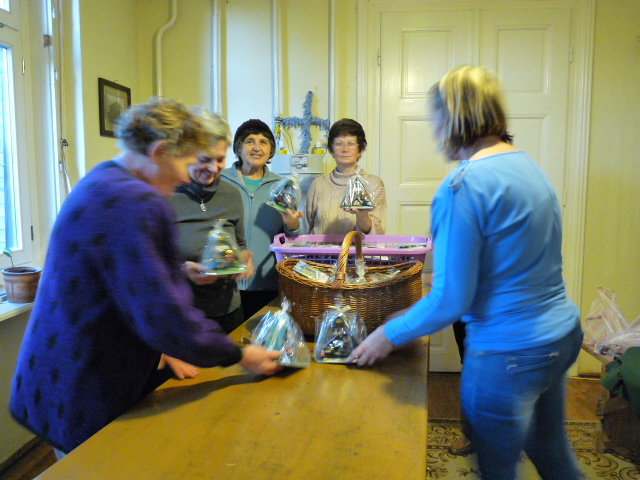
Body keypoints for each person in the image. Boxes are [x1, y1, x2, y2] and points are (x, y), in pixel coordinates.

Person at [9, 98, 282, 457]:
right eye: (186, 162)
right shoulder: (139, 202)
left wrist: (164, 347)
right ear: (159, 151)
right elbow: (161, 312)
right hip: (86, 383)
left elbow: (125, 290)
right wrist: (239, 354)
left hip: (51, 376)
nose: (186, 176)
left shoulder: (102, 176)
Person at [350, 66, 583, 480]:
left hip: (508, 352)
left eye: (435, 118)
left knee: (497, 470)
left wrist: (387, 334)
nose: (434, 130)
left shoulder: (462, 186)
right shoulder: (529, 167)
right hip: (561, 336)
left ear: (453, 118)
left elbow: (451, 300)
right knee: (551, 451)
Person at [168, 108, 253, 336]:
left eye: (220, 159)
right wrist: (182, 271)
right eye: (204, 159)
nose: (214, 168)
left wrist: (243, 258)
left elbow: (240, 244)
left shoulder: (232, 194)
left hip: (228, 312)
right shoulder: (164, 195)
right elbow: (148, 263)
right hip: (181, 317)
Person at [221, 119, 303, 320]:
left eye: (263, 142)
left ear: (271, 150)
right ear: (238, 148)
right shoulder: (220, 181)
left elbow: (293, 240)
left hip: (268, 282)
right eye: (249, 141)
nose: (257, 148)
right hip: (225, 282)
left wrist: (292, 224)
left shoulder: (282, 186)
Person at [305, 118, 387, 235]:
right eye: (339, 144)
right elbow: (307, 230)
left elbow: (377, 233)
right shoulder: (318, 184)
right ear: (331, 150)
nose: (345, 149)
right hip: (321, 248)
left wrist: (362, 215)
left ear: (361, 150)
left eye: (351, 144)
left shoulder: (374, 183)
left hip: (358, 248)